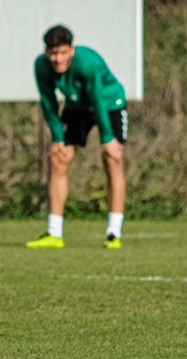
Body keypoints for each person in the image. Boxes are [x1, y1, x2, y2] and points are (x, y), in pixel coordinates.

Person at [26, 25, 128, 250]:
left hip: (109, 103)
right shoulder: (41, 66)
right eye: (53, 53)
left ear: (71, 49)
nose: (58, 59)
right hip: (76, 108)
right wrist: (58, 138)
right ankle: (54, 233)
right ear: (46, 52)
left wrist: (107, 138)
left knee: (112, 159)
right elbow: (48, 102)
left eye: (63, 53)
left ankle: (114, 232)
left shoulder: (88, 62)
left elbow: (98, 99)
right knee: (58, 158)